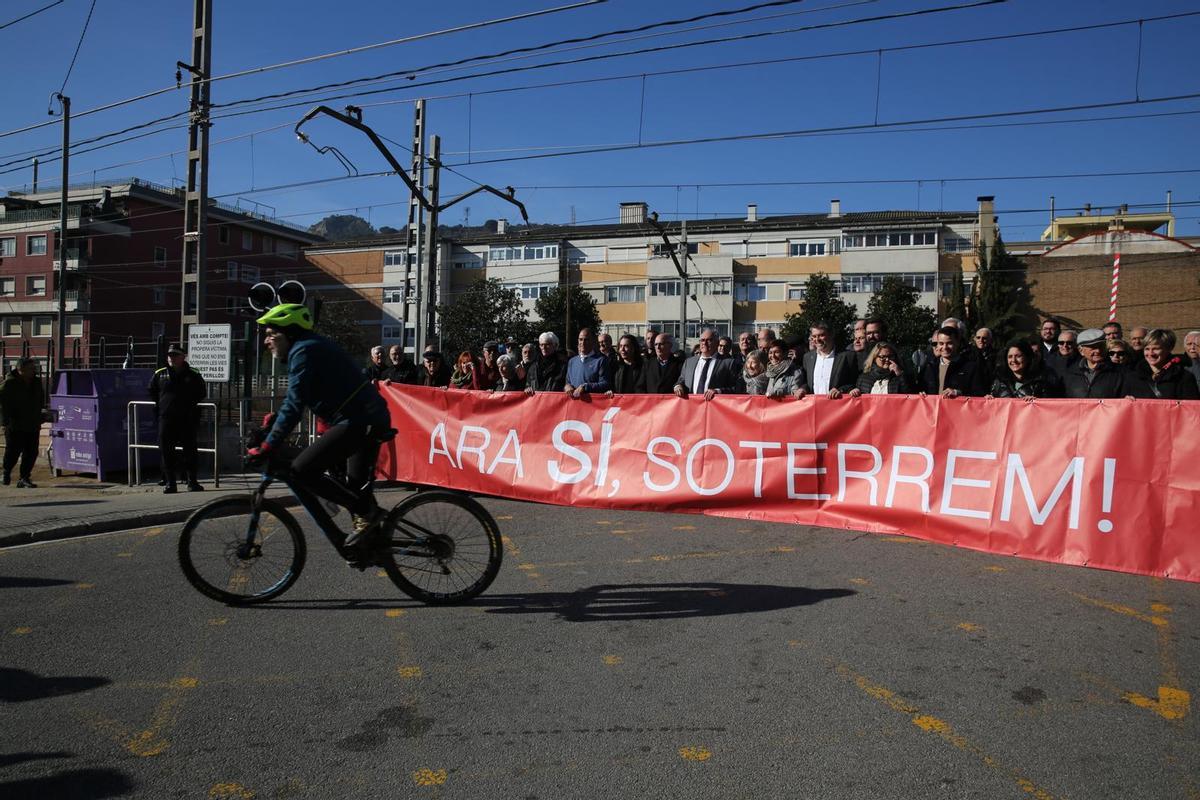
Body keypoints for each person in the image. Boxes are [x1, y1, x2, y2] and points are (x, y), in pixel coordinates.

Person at [247, 303, 392, 547]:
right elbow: (297, 399)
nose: (266, 341)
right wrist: (273, 425)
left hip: (361, 420)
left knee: (302, 470)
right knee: (354, 490)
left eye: (271, 334)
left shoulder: (304, 351)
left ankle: (368, 517)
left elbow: (294, 405)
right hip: (363, 418)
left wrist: (269, 445)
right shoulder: (307, 348)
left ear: (288, 332)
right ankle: (375, 546)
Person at [149, 345, 208, 493]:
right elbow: (152, 391)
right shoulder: (160, 374)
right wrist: (162, 406)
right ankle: (170, 483)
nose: (171, 358)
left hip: (187, 419)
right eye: (169, 355)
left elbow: (201, 392)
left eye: (175, 355)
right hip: (166, 419)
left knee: (190, 451)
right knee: (166, 451)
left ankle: (192, 482)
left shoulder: (193, 374)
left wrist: (188, 405)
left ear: (183, 357)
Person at [1, 358, 49, 488]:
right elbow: (3, 404)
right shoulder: (10, 384)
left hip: (32, 423)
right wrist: (5, 422)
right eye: (30, 369)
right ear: (20, 370)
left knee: (32, 452)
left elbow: (40, 400)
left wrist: (41, 415)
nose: (33, 371)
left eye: (34, 368)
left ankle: (24, 477)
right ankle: (6, 472)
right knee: (13, 451)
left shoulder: (37, 383)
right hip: (15, 424)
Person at [1127, 329, 1200, 400]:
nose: (1151, 353)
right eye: (1147, 349)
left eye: (1156, 349)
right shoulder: (1133, 377)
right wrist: (1125, 401)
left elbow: (1191, 408)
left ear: (1168, 349)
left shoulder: (1184, 378)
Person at [674, 327, 743, 399]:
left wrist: (718, 391)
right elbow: (681, 380)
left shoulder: (728, 363)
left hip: (714, 407)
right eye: (702, 340)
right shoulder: (689, 362)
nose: (704, 343)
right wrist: (678, 386)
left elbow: (736, 388)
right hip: (692, 406)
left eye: (709, 340)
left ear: (717, 343)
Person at [794, 322, 858, 399]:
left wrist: (841, 390)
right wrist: (802, 389)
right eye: (814, 336)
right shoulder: (808, 357)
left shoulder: (848, 356)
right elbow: (807, 382)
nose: (817, 340)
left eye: (821, 335)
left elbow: (855, 382)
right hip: (815, 406)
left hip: (838, 406)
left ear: (831, 335)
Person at [918, 326, 986, 397]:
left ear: (958, 343)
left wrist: (958, 393)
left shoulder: (971, 368)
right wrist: (920, 394)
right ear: (937, 345)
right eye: (941, 343)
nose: (945, 347)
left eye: (949, 343)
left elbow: (979, 395)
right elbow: (918, 391)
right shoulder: (928, 367)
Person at [1061, 328, 1126, 399]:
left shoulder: (1120, 372)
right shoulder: (1070, 373)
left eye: (1101, 346)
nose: (1098, 350)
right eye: (1093, 347)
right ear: (1081, 351)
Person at [989, 341, 1061, 399]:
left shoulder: (1040, 382)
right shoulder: (999, 382)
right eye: (1010, 357)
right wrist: (988, 400)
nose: (1013, 360)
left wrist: (1037, 402)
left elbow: (1048, 408)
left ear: (1027, 358)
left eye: (1018, 356)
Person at [565, 328, 611, 398]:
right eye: (580, 339)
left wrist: (586, 387)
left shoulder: (601, 360)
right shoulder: (572, 361)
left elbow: (605, 384)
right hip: (574, 405)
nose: (583, 343)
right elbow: (568, 382)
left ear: (593, 341)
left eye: (586, 340)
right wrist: (567, 387)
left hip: (593, 406)